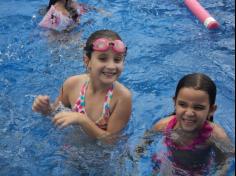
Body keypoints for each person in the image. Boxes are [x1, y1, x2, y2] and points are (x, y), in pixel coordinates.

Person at [32, 29, 132, 139]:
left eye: (117, 60)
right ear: (87, 61)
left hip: (99, 155)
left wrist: (82, 120)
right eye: (103, 59)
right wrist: (45, 109)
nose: (111, 66)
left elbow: (111, 142)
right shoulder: (72, 84)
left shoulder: (122, 98)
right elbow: (55, 114)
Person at [150, 73, 235, 175]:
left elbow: (225, 162)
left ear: (211, 110)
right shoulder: (163, 126)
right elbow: (143, 143)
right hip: (168, 163)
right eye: (182, 104)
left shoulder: (216, 135)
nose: (189, 113)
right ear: (174, 102)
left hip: (198, 171)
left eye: (198, 107)